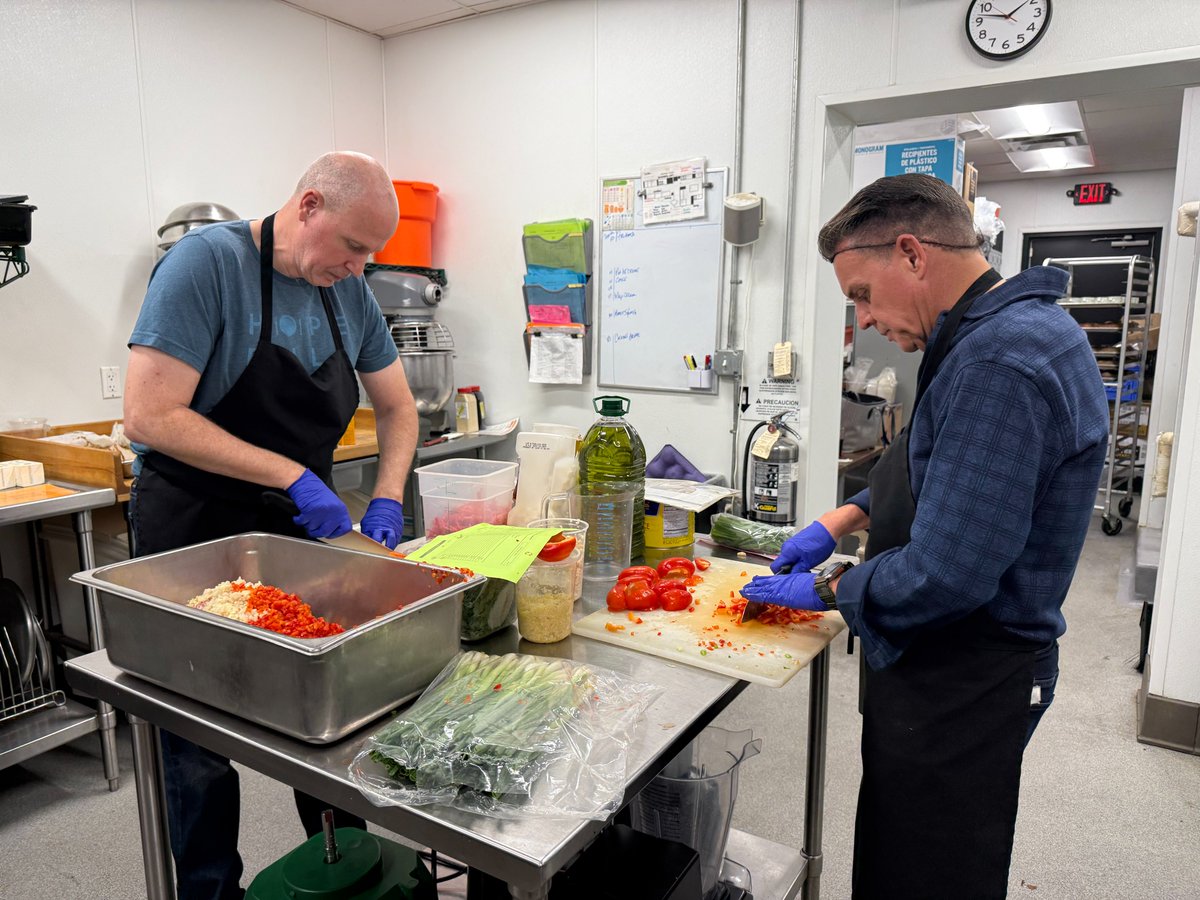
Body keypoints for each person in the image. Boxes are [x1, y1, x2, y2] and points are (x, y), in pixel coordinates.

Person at [740, 173, 1109, 899]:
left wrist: (829, 585)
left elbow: (948, 573)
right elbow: (939, 467)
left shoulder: (1003, 360)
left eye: (860, 296)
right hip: (950, 663)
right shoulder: (985, 333)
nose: (865, 322)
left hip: (966, 673)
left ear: (911, 253)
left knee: (925, 874)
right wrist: (841, 518)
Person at [124, 151, 418, 900]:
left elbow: (399, 407)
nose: (358, 268)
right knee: (195, 739)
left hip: (295, 531)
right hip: (193, 523)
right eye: (352, 248)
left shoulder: (347, 294)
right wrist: (291, 474)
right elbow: (151, 415)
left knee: (326, 704)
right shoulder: (205, 267)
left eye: (370, 255)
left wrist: (385, 497)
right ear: (310, 205)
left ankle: (339, 874)